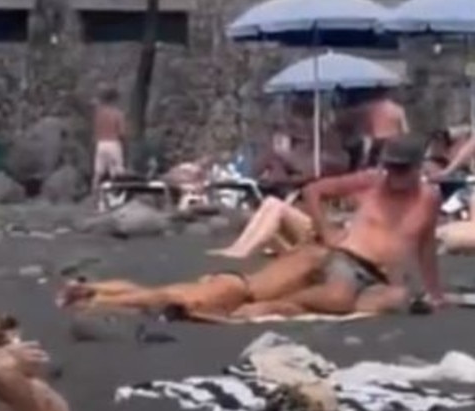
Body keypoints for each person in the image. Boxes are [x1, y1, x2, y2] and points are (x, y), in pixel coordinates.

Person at [59, 135, 441, 320]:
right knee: (232, 291)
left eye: (402, 170)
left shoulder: (429, 199)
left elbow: (423, 248)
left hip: (374, 277)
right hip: (337, 256)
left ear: (418, 167)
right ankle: (97, 294)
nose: (394, 176)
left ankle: (273, 306)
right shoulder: (373, 180)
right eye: (390, 167)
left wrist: (435, 291)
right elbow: (314, 191)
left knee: (392, 300)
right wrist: (327, 232)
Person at [211, 194, 315, 259]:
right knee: (270, 201)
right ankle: (239, 246)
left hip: (316, 233)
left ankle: (245, 249)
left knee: (278, 207)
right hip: (309, 225)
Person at [362, 91, 408, 166]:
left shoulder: (369, 108)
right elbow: (404, 130)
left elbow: (366, 130)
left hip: (376, 143)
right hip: (392, 144)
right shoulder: (398, 109)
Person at [93, 87, 126, 190]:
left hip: (101, 143)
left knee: (98, 173)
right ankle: (116, 196)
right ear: (114, 99)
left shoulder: (99, 114)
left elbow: (96, 129)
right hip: (113, 143)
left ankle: (95, 195)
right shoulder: (117, 114)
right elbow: (122, 132)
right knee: (117, 172)